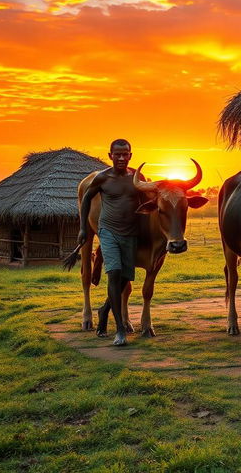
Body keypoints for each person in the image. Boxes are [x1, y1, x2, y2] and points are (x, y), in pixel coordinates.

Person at [77, 139, 141, 346]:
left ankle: (104, 311)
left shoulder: (137, 178)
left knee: (125, 277)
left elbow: (148, 199)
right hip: (108, 232)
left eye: (125, 154)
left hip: (130, 234)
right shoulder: (103, 178)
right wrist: (83, 228)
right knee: (113, 273)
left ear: (131, 155)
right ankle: (120, 329)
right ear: (110, 155)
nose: (121, 158)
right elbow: (86, 199)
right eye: (117, 154)